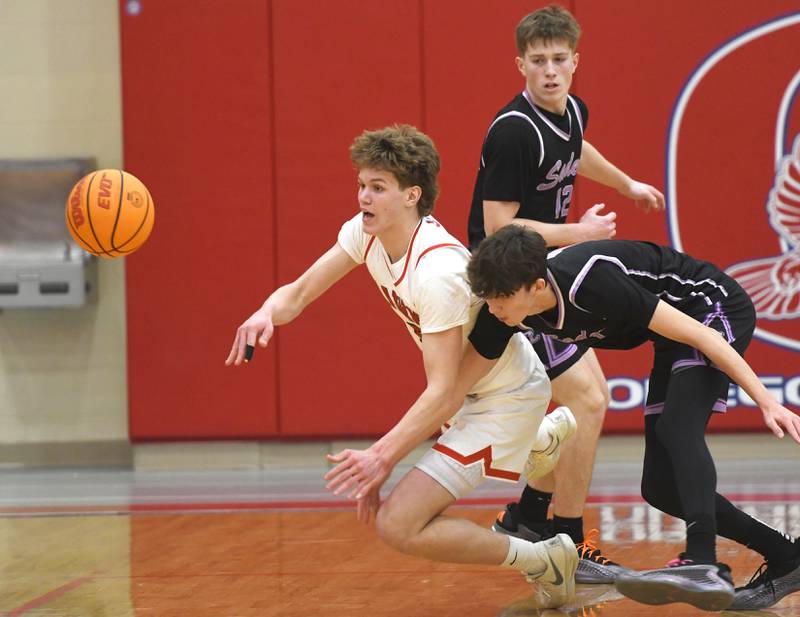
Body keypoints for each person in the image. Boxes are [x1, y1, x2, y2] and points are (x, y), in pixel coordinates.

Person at [225, 125, 581, 608]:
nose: (362, 197)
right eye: (361, 185)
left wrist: (380, 459)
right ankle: (537, 443)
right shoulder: (365, 234)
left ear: (412, 195)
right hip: (468, 393)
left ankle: (543, 558)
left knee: (399, 524)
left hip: (502, 396)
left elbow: (441, 392)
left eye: (377, 188)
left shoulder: (437, 273)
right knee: (406, 508)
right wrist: (267, 310)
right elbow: (302, 292)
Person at [465, 224, 800, 611]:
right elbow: (460, 378)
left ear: (537, 286)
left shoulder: (591, 282)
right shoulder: (502, 310)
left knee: (677, 427)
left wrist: (765, 400)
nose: (494, 309)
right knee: (659, 487)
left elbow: (702, 336)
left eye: (502, 298)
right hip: (672, 335)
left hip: (711, 307)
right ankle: (786, 557)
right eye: (488, 299)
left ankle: (702, 560)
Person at [466, 4, 666, 584]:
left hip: (547, 275)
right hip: (510, 285)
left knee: (587, 404)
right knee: (589, 403)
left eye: (559, 59)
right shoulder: (513, 130)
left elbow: (578, 150)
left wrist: (626, 183)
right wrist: (578, 233)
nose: (549, 70)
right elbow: (500, 225)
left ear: (575, 62)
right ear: (520, 65)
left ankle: (528, 515)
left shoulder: (572, 109)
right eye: (538, 61)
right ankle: (568, 542)